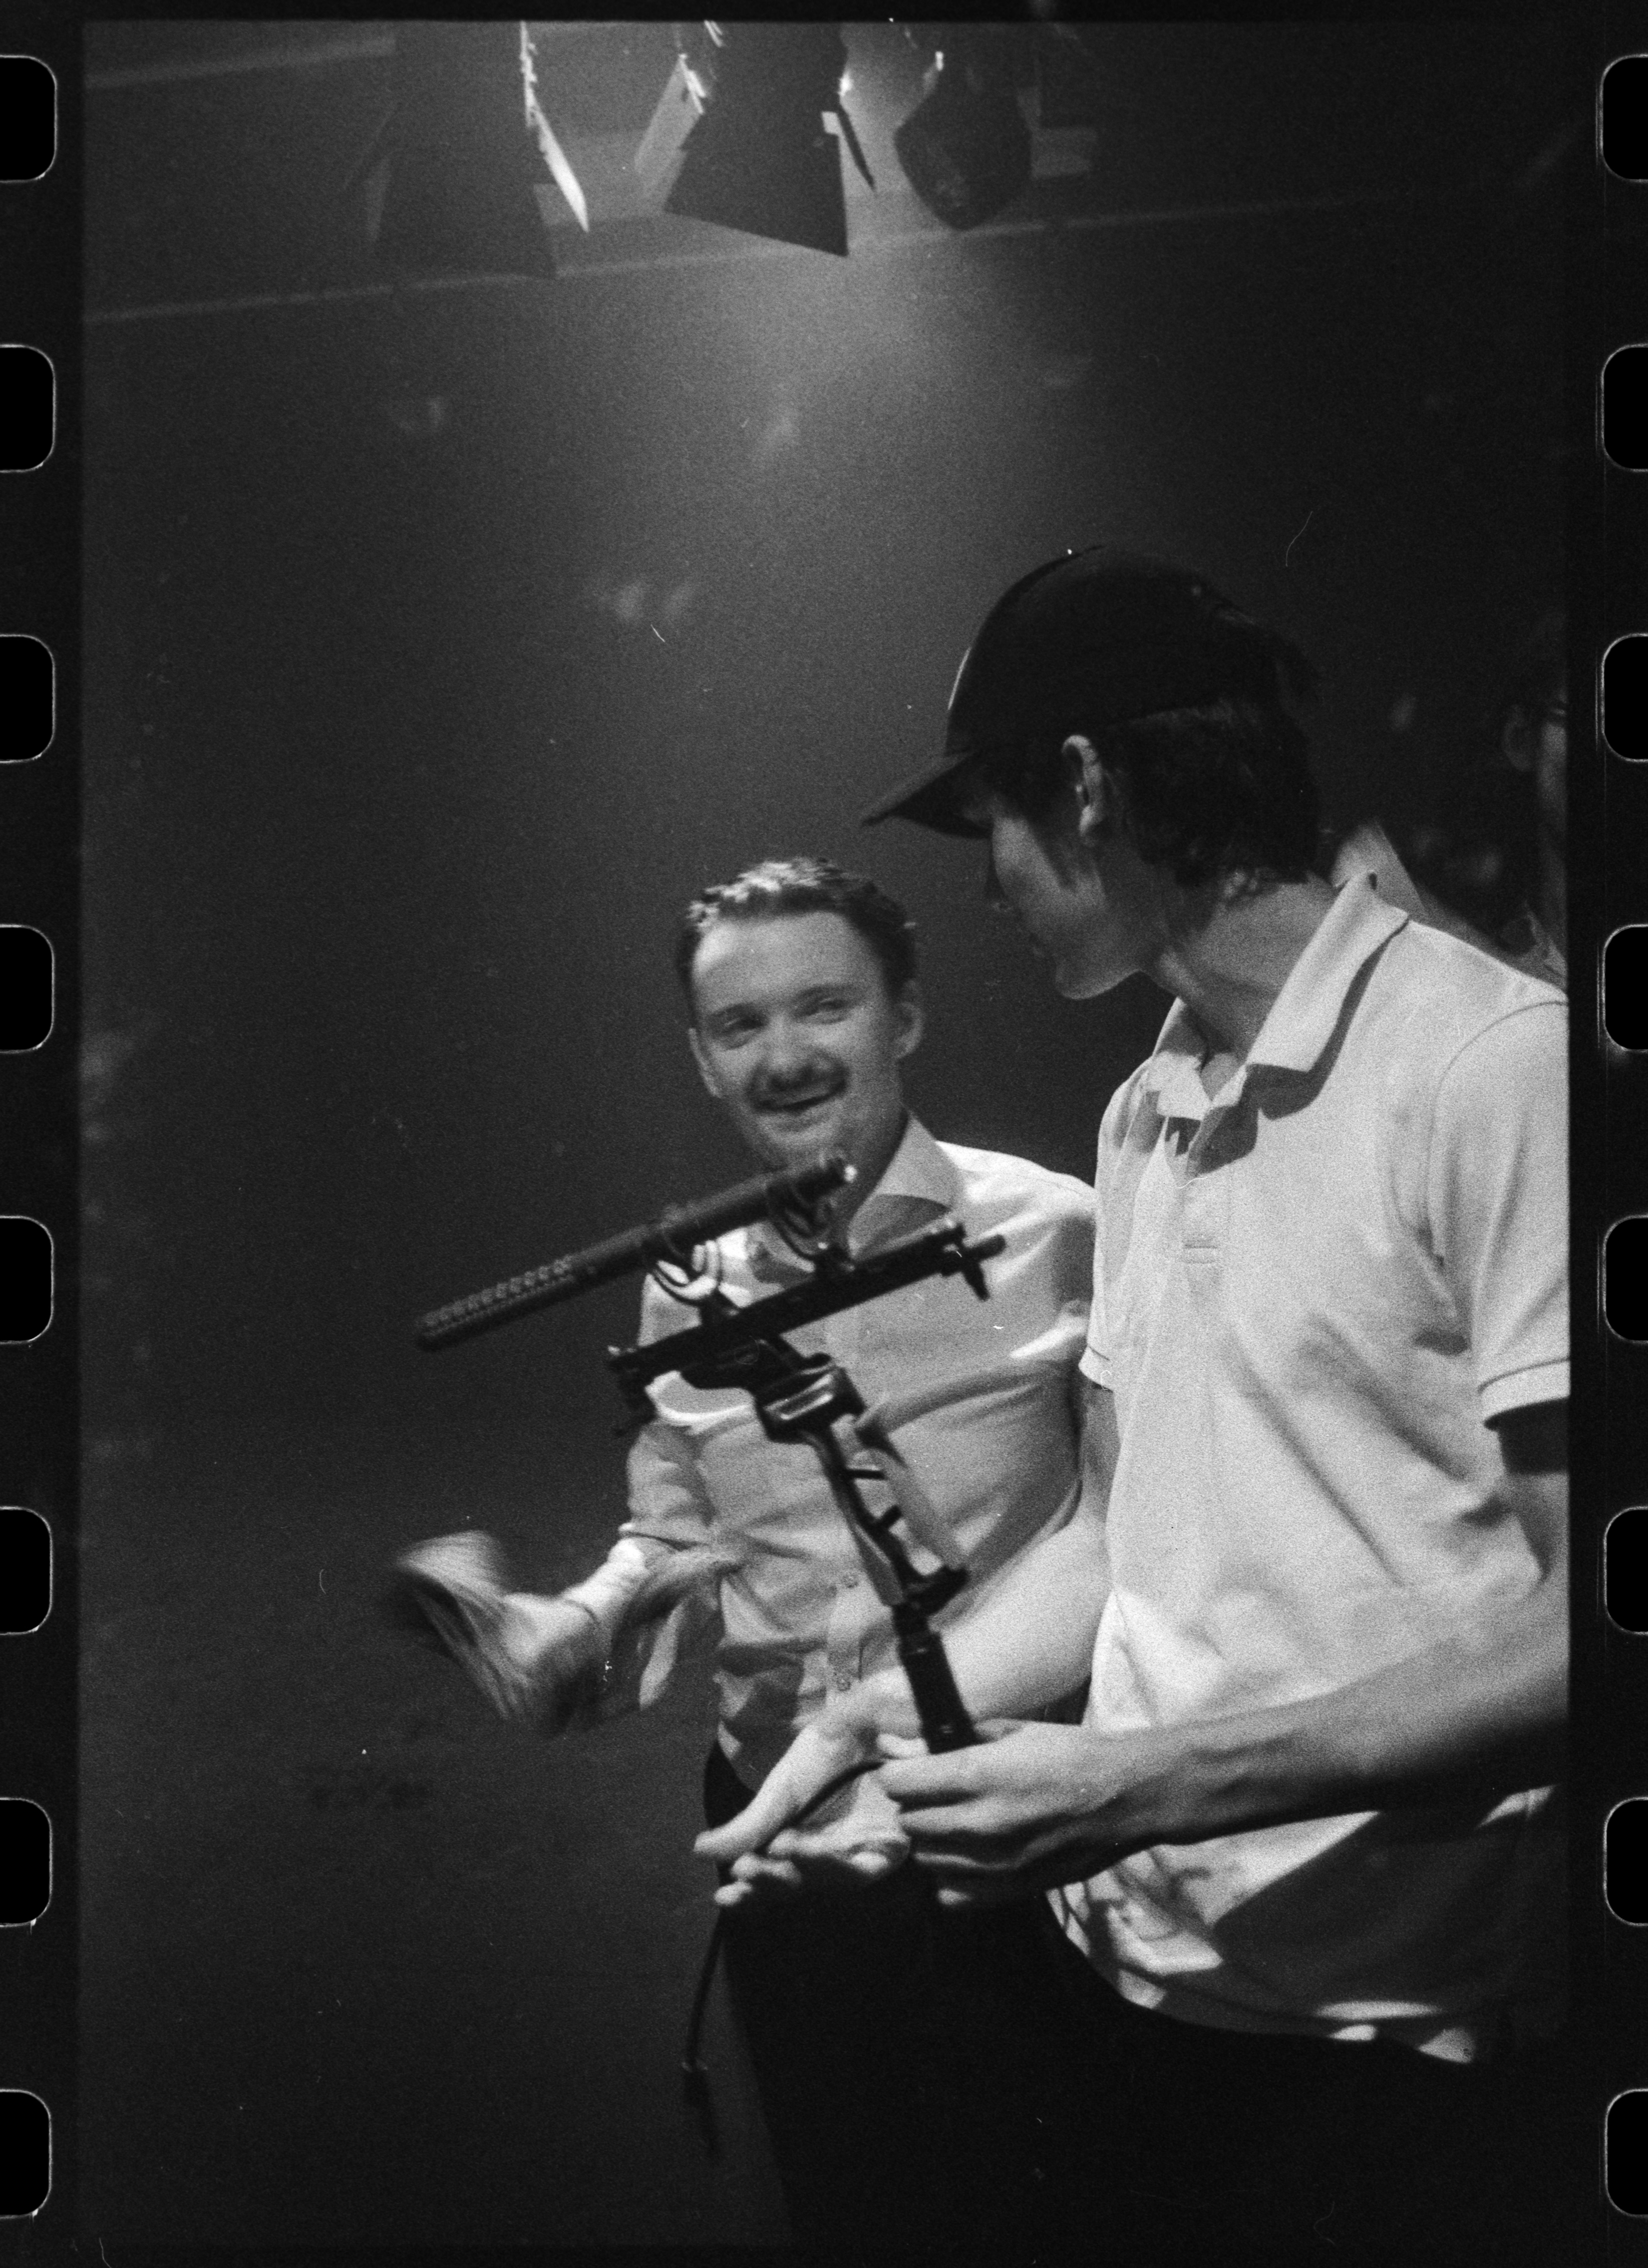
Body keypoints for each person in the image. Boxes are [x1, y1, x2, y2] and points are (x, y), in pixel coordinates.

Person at [701, 552, 1573, 2258]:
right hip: (1126, 1985)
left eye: (995, 828)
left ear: (1090, 786)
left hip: (1391, 2048)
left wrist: (1139, 1784)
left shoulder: (1491, 1069)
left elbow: (1588, 1636)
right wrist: (888, 1713)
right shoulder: (1145, 1104)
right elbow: (1116, 1529)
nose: (990, 885)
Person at [392, 854, 1097, 2250]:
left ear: (905, 1016)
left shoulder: (1058, 1231)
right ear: (702, 1059)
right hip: (779, 1822)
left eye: (824, 1006)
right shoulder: (684, 1287)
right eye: (739, 1025)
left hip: (1021, 1808)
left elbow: (1136, 1521)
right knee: (852, 2207)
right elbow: (675, 1523)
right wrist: (578, 1623)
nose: (784, 1056)